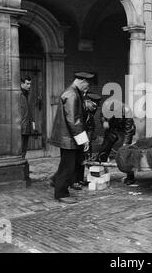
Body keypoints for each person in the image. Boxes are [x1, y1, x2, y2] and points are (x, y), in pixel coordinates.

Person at [49, 71, 94, 204]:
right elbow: (74, 120)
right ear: (80, 81)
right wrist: (83, 139)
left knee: (71, 164)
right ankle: (61, 193)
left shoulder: (72, 93)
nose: (88, 86)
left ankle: (56, 180)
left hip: (69, 137)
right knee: (67, 166)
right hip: (69, 138)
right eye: (87, 83)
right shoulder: (72, 94)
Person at [97, 99, 136, 185]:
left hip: (123, 130)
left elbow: (128, 129)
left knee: (125, 153)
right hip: (112, 129)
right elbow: (101, 116)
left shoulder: (126, 110)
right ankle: (97, 171)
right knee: (104, 148)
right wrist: (104, 121)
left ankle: (130, 177)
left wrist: (126, 143)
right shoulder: (106, 106)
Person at [20, 76, 35, 158]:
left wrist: (33, 124)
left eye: (30, 84)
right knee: (20, 148)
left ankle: (23, 165)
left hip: (27, 125)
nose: (29, 86)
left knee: (24, 148)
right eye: (27, 84)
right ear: (22, 83)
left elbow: (29, 111)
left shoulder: (27, 94)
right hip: (21, 127)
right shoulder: (18, 94)